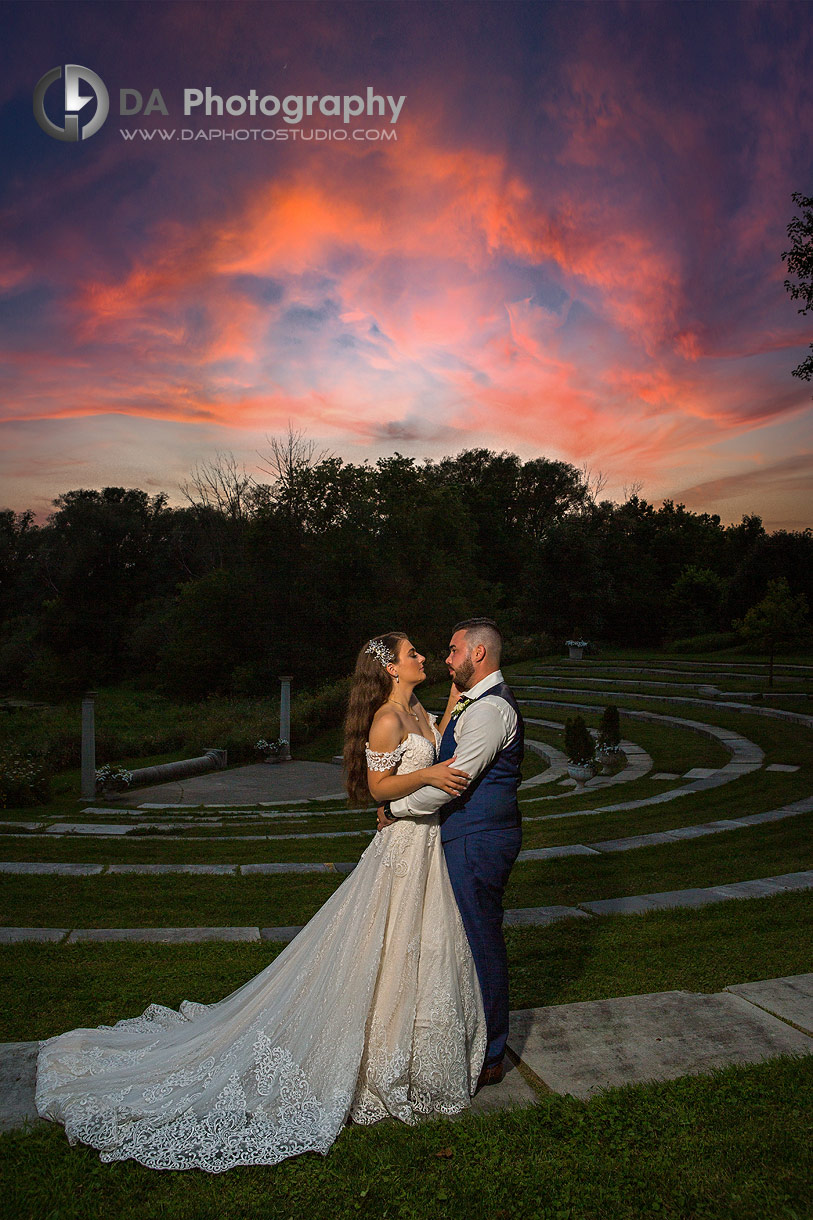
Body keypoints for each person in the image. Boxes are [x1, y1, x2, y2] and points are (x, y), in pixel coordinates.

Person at [35, 632, 486, 1173]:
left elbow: (429, 738)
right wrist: (429, 774)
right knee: (380, 943)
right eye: (412, 652)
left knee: (411, 948)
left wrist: (455, 706)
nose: (421, 656)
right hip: (401, 850)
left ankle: (400, 1045)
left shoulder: (415, 707)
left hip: (424, 847)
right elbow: (377, 787)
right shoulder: (387, 718)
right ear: (392, 668)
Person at [377, 618, 524, 1088]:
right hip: (461, 835)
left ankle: (491, 1053)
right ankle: (469, 1037)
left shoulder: (488, 711)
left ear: (478, 654)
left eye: (453, 649)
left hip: (477, 838)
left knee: (480, 941)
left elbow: (452, 781)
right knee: (458, 942)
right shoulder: (468, 704)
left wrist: (395, 808)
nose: (445, 658)